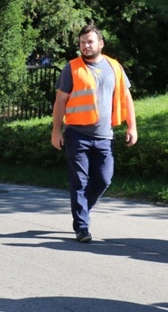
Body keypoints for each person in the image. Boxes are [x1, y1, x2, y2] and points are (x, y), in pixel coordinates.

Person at [51, 24, 137, 243]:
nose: (85, 46)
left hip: (105, 135)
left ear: (100, 43)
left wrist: (131, 127)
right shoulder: (71, 68)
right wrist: (56, 131)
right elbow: (60, 100)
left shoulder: (114, 67)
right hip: (77, 134)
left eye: (89, 42)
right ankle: (81, 227)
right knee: (79, 181)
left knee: (104, 179)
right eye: (82, 42)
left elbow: (126, 97)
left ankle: (83, 211)